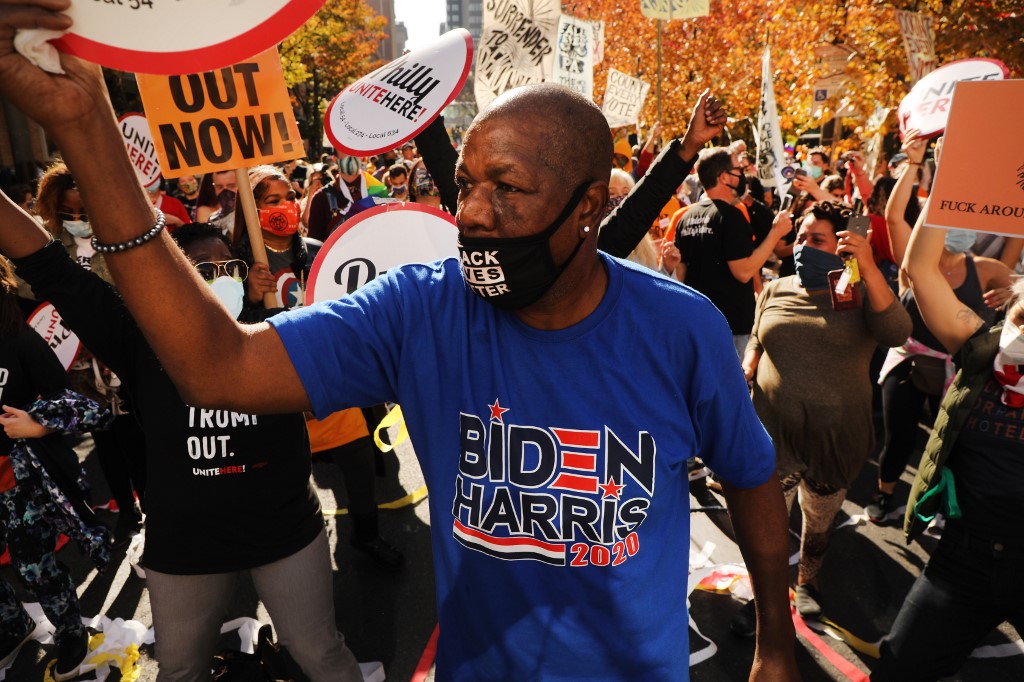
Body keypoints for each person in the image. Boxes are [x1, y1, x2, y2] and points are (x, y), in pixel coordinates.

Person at [0, 20, 797, 677]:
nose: (472, 213)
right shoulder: (422, 307)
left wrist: (774, 643)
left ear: (589, 206)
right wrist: (86, 126)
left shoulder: (681, 327)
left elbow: (750, 474)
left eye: (508, 189)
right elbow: (218, 367)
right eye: (467, 185)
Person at [0, 200, 374, 680]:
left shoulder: (279, 331)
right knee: (179, 669)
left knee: (320, 652)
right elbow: (48, 265)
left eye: (229, 268)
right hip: (184, 541)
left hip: (285, 530)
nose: (220, 279)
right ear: (172, 283)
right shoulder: (137, 337)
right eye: (202, 270)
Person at [871, 146, 1024, 679]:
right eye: (1021, 319)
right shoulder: (980, 349)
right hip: (964, 562)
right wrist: (953, 176)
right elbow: (919, 269)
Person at [741, 200, 911, 622]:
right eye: (800, 237)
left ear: (843, 245)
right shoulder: (777, 287)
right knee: (767, 528)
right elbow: (758, 336)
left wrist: (868, 267)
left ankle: (808, 582)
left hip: (834, 441)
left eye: (816, 239)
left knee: (818, 523)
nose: (802, 246)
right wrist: (749, 361)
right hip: (773, 438)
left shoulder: (863, 293)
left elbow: (897, 331)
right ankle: (763, 598)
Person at [866, 129, 1011, 523]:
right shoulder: (913, 263)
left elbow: (1016, 289)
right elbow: (894, 217)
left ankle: (944, 506)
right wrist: (916, 164)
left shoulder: (986, 269)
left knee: (950, 443)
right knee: (899, 438)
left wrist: (1012, 295)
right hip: (909, 364)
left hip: (958, 371)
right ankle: (884, 495)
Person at [0, 254, 110, 680]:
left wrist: (37, 423)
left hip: (20, 478)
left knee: (34, 567)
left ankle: (70, 633)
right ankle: (14, 625)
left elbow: (83, 407)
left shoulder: (20, 340)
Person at [28, 161, 146, 541]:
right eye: (68, 212)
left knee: (138, 434)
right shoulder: (47, 243)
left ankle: (153, 505)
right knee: (105, 439)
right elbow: (29, 290)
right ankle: (126, 510)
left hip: (123, 356)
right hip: (79, 365)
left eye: (84, 210)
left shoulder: (120, 235)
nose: (78, 219)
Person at [675, 147, 792, 358]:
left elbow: (680, 274)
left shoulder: (686, 217)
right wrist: (776, 233)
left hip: (698, 322)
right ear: (724, 177)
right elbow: (744, 271)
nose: (743, 177)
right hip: (731, 327)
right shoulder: (730, 217)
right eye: (739, 170)